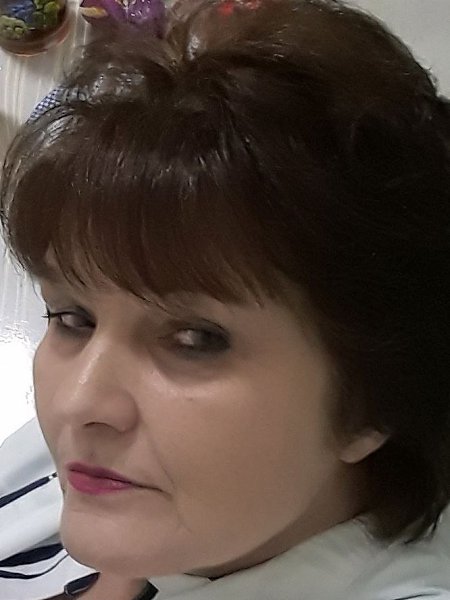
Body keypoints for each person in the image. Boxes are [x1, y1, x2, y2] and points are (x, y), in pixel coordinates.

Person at [1, 0, 450, 598]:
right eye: (72, 317)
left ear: (377, 400)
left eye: (196, 340)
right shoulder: (146, 479)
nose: (76, 401)